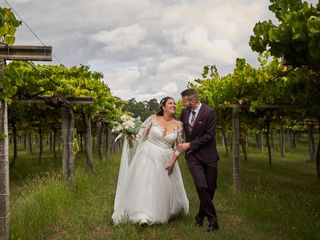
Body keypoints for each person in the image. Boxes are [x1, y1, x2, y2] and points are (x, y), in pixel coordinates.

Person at [112, 96, 189, 226]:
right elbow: (140, 136)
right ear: (163, 107)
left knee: (162, 187)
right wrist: (128, 130)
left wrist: (172, 162)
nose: (174, 105)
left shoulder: (179, 124)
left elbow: (178, 146)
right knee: (145, 184)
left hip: (166, 157)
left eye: (175, 103)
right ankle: (143, 215)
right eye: (170, 103)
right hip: (147, 155)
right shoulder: (153, 119)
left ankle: (162, 210)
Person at [178, 88, 220, 232]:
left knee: (210, 189)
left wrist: (189, 144)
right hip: (193, 157)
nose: (183, 104)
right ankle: (213, 220)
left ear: (193, 100)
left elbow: (209, 136)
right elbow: (178, 128)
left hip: (209, 156)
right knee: (201, 186)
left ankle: (200, 216)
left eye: (184, 101)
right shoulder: (184, 113)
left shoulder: (210, 112)